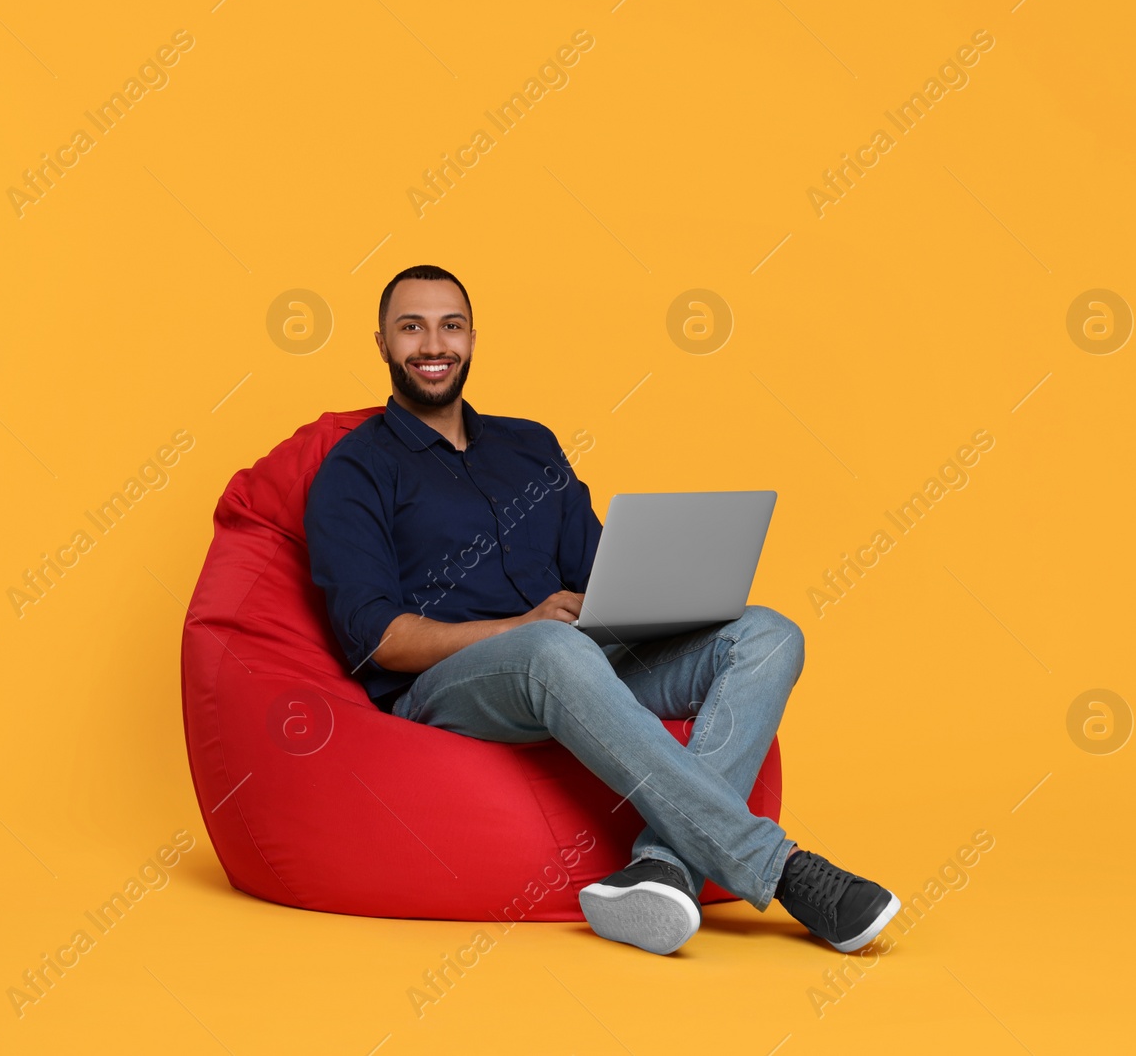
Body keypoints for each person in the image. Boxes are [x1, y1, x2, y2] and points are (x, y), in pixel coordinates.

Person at [303, 264, 899, 955]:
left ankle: (663, 866)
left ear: (472, 338)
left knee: (767, 633)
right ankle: (782, 867)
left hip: (578, 660)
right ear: (381, 342)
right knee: (554, 650)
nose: (433, 344)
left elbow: (597, 579)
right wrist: (518, 629)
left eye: (450, 325)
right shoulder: (356, 469)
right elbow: (380, 639)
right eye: (412, 327)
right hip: (451, 686)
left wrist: (659, 597)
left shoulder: (530, 446)